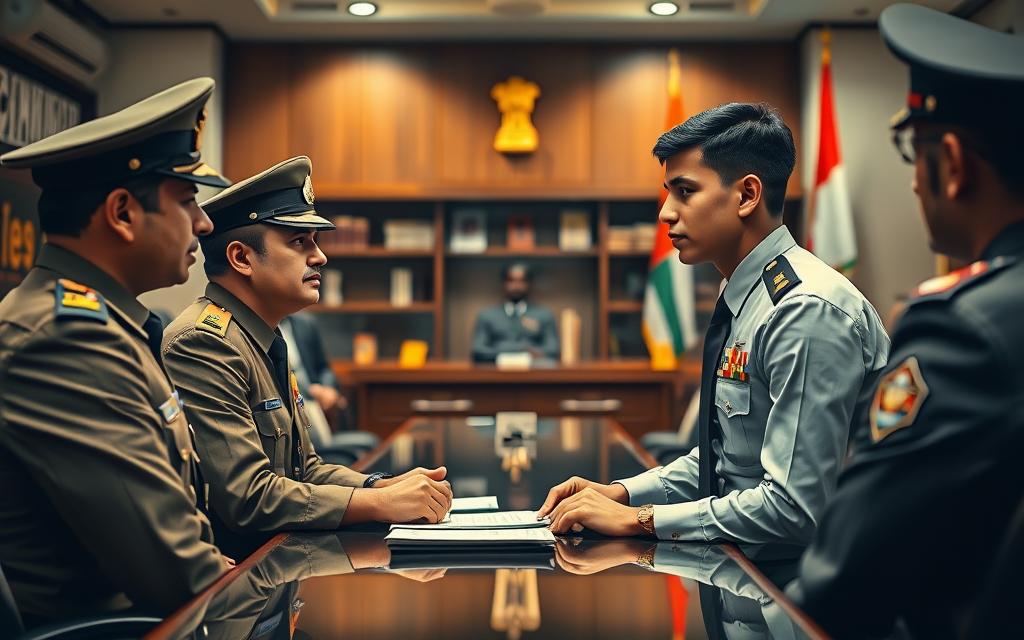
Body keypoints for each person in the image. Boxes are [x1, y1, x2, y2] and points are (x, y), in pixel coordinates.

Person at [538, 102, 889, 545]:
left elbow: (794, 509)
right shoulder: (746, 291)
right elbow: (724, 463)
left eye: (684, 191)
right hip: (747, 573)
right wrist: (620, 494)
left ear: (746, 196)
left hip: (803, 591)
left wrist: (639, 520)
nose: (665, 213)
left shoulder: (804, 309)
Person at [787, 6, 1024, 637]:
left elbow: (846, 578)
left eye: (910, 155)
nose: (916, 187)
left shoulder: (963, 330)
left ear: (952, 162)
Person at [0, 78, 231, 625]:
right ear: (123, 212)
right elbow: (177, 574)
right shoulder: (64, 337)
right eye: (186, 200)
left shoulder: (110, 324)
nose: (204, 223)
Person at [162, 156, 453, 542]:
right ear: (241, 258)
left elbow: (306, 469)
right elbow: (251, 498)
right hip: (242, 577)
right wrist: (382, 505)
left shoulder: (262, 338)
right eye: (299, 242)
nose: (320, 257)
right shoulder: (205, 343)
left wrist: (380, 486)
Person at [471, 263, 559, 363]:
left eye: (521, 281)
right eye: (511, 281)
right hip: (495, 375)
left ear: (529, 284)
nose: (516, 286)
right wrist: (521, 350)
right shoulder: (486, 315)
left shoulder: (544, 315)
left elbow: (553, 351)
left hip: (534, 375)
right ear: (503, 283)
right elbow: (478, 351)